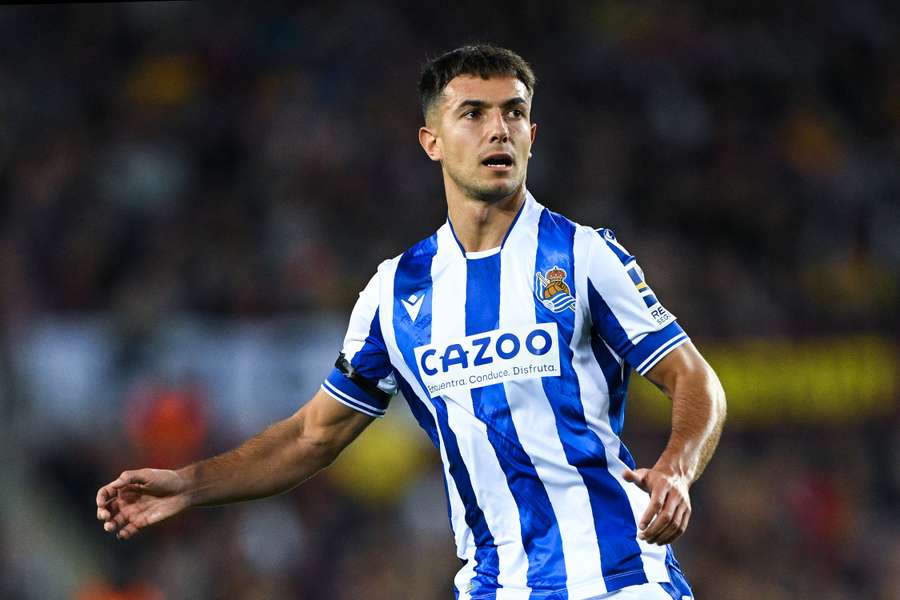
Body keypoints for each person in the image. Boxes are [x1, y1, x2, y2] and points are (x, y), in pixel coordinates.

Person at [97, 45, 726, 600]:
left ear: (533, 134)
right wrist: (190, 484)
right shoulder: (394, 292)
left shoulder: (584, 256)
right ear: (432, 141)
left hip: (617, 577)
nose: (497, 130)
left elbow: (697, 381)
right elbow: (312, 437)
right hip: (492, 585)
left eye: (512, 113)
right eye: (473, 114)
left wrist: (675, 466)